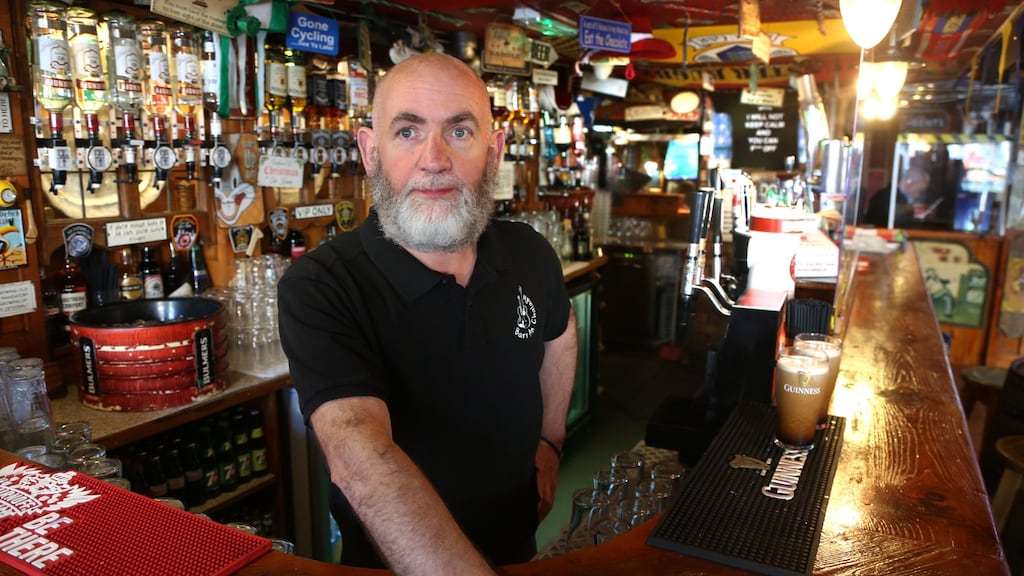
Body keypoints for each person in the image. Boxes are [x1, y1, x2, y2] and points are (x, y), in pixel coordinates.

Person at [277, 52, 577, 575]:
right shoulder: (323, 286)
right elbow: (361, 459)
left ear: (494, 148)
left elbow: (561, 335)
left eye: (459, 132)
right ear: (370, 151)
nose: (434, 159)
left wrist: (550, 442)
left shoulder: (529, 252)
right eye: (408, 132)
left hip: (520, 546)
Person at [864, 165, 931, 228]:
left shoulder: (898, 196)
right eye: (919, 190)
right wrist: (917, 218)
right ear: (910, 182)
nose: (918, 195)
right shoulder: (886, 196)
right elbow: (897, 219)